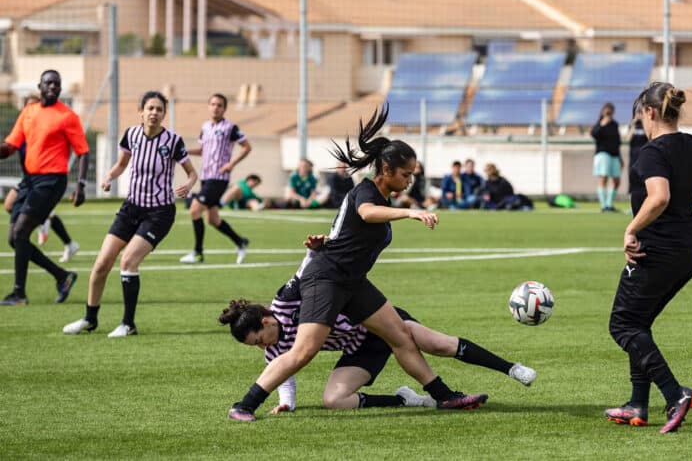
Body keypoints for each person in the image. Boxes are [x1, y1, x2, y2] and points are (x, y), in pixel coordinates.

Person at [225, 106, 487, 422]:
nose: (410, 180)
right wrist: (411, 212)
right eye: (407, 174)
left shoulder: (381, 196)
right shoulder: (366, 192)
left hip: (351, 281)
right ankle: (244, 405)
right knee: (304, 351)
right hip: (329, 277)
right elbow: (366, 214)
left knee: (400, 337)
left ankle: (445, 398)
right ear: (388, 169)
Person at [220, 249, 536, 417]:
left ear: (266, 321)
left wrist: (314, 250)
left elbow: (307, 273)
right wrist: (287, 402)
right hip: (361, 348)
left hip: (376, 321)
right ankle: (406, 400)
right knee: (334, 400)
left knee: (437, 344)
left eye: (260, 339)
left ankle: (512, 369)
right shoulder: (273, 350)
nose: (263, 346)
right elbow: (284, 374)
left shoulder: (284, 302)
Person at [605, 82, 692, 434]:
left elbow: (658, 197)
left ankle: (675, 394)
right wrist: (686, 204)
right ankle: (636, 404)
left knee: (623, 325)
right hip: (689, 250)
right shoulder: (691, 144)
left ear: (650, 112)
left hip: (656, 251)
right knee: (638, 324)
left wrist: (631, 229)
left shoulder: (652, 151)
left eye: (639, 115)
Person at [62, 91, 197, 337]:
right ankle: (89, 319)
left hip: (159, 212)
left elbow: (192, 173)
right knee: (102, 263)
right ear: (141, 112)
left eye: (159, 109)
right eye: (150, 108)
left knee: (128, 261)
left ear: (164, 114)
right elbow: (122, 164)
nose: (154, 113)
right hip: (130, 208)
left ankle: (128, 324)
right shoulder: (131, 134)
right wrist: (108, 177)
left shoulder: (173, 141)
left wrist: (188, 185)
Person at [0, 70, 89, 305]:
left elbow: (83, 152)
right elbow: (10, 145)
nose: (52, 86)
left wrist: (80, 184)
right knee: (14, 239)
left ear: (60, 89)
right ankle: (62, 276)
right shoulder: (28, 112)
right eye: (48, 83)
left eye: (57, 84)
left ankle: (19, 293)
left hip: (51, 181)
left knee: (20, 233)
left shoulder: (68, 116)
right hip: (28, 181)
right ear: (40, 85)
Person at [3, 94, 80, 264]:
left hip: (43, 181)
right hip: (28, 180)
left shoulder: (44, 131)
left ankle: (61, 239)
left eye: (34, 106)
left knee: (19, 228)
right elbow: (8, 148)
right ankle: (58, 235)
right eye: (28, 107)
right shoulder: (23, 129)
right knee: (10, 205)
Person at [180, 94, 251, 265]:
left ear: (224, 108)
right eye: (212, 104)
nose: (215, 107)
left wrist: (231, 164)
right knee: (213, 219)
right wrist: (184, 152)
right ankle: (240, 242)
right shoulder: (205, 127)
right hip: (206, 177)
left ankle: (198, 253)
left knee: (194, 210)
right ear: (208, 106)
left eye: (219, 105)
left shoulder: (230, 127)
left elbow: (247, 147)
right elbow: (203, 150)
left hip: (219, 178)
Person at [591, 102, 622, 212]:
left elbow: (618, 142)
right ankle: (604, 206)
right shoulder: (599, 124)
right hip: (603, 154)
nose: (609, 113)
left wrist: (620, 158)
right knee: (603, 178)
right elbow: (594, 134)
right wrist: (602, 124)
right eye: (607, 111)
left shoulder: (615, 125)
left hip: (614, 155)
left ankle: (609, 204)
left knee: (616, 181)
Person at [627, 116, 648, 196]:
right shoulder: (632, 126)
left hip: (644, 157)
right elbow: (628, 139)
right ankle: (632, 201)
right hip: (633, 158)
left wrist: (644, 122)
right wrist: (633, 125)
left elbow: (650, 137)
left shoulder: (645, 125)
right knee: (633, 179)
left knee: (644, 180)